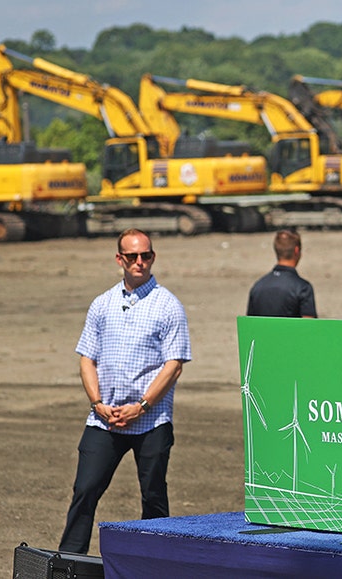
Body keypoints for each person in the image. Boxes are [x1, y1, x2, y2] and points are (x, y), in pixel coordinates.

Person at [58, 228, 192, 554]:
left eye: (145, 255)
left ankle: (156, 564)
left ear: (153, 257)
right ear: (120, 259)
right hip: (105, 419)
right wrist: (97, 403)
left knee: (154, 496)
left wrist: (142, 406)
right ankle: (67, 563)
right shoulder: (102, 304)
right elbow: (87, 359)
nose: (139, 262)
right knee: (85, 490)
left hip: (151, 420)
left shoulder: (168, 306)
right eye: (132, 256)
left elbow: (174, 365)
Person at [246, 229, 317, 318]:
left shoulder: (258, 286)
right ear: (296, 250)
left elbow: (250, 325)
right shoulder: (303, 288)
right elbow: (309, 327)